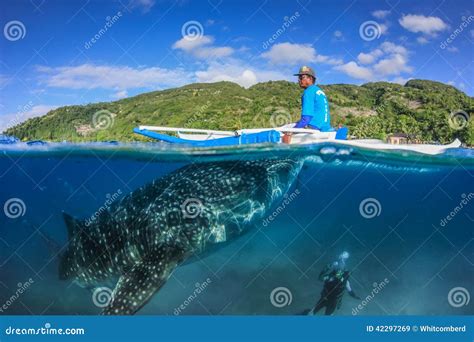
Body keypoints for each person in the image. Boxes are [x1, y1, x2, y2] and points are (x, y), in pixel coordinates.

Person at [282, 66, 331, 144]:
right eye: (299, 77)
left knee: (284, 129)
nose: (299, 80)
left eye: (302, 77)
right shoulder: (319, 91)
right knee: (295, 124)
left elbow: (306, 119)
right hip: (325, 127)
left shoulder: (308, 92)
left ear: (310, 78)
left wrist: (290, 133)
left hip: (313, 127)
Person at [308, 251, 360, 315]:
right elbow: (350, 291)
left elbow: (321, 277)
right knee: (319, 313)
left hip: (327, 299)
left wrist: (329, 267)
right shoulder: (343, 281)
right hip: (329, 299)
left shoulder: (334, 278)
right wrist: (355, 296)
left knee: (314, 312)